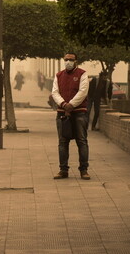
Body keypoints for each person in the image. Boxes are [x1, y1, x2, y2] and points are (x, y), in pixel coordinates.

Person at [51, 52, 90, 180]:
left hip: (79, 112)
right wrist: (63, 104)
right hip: (62, 113)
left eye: (71, 60)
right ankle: (63, 170)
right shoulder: (59, 75)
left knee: (82, 141)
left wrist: (71, 105)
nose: (68, 62)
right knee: (62, 142)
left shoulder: (82, 74)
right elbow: (55, 92)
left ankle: (83, 170)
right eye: (66, 59)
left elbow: (83, 92)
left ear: (76, 61)